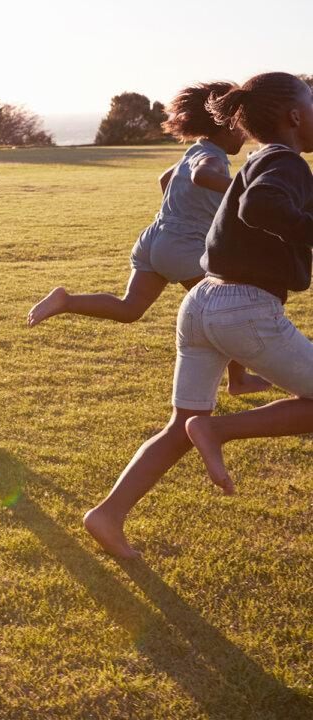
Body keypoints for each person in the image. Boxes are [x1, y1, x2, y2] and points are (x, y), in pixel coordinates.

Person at [84, 72, 313, 558]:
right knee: (205, 423)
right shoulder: (286, 162)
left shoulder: (257, 158)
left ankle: (107, 514)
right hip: (244, 309)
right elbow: (263, 206)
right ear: (294, 116)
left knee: (180, 424)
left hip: (203, 302)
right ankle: (219, 430)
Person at [28, 83, 267, 395]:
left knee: (130, 309)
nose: (244, 135)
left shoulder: (195, 150)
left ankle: (66, 300)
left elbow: (165, 178)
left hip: (156, 239)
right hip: (182, 246)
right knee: (228, 309)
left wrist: (181, 213)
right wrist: (245, 187)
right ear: (223, 126)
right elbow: (202, 176)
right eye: (239, 128)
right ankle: (239, 380)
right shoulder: (213, 157)